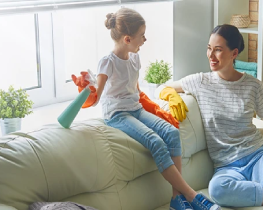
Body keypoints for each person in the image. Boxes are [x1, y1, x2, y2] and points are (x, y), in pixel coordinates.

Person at [156, 24, 263, 210]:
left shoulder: (253, 86)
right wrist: (171, 96)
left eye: (218, 50)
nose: (211, 55)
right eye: (209, 48)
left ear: (234, 53)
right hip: (226, 166)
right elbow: (162, 87)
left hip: (258, 156)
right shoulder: (200, 81)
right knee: (217, 190)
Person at [92, 8, 221, 210]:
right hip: (116, 115)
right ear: (127, 39)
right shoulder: (107, 63)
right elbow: (96, 97)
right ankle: (190, 195)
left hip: (134, 109)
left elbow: (135, 91)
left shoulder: (134, 59)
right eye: (141, 36)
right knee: (155, 141)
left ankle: (176, 199)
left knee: (171, 132)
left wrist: (152, 106)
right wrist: (86, 88)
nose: (145, 39)